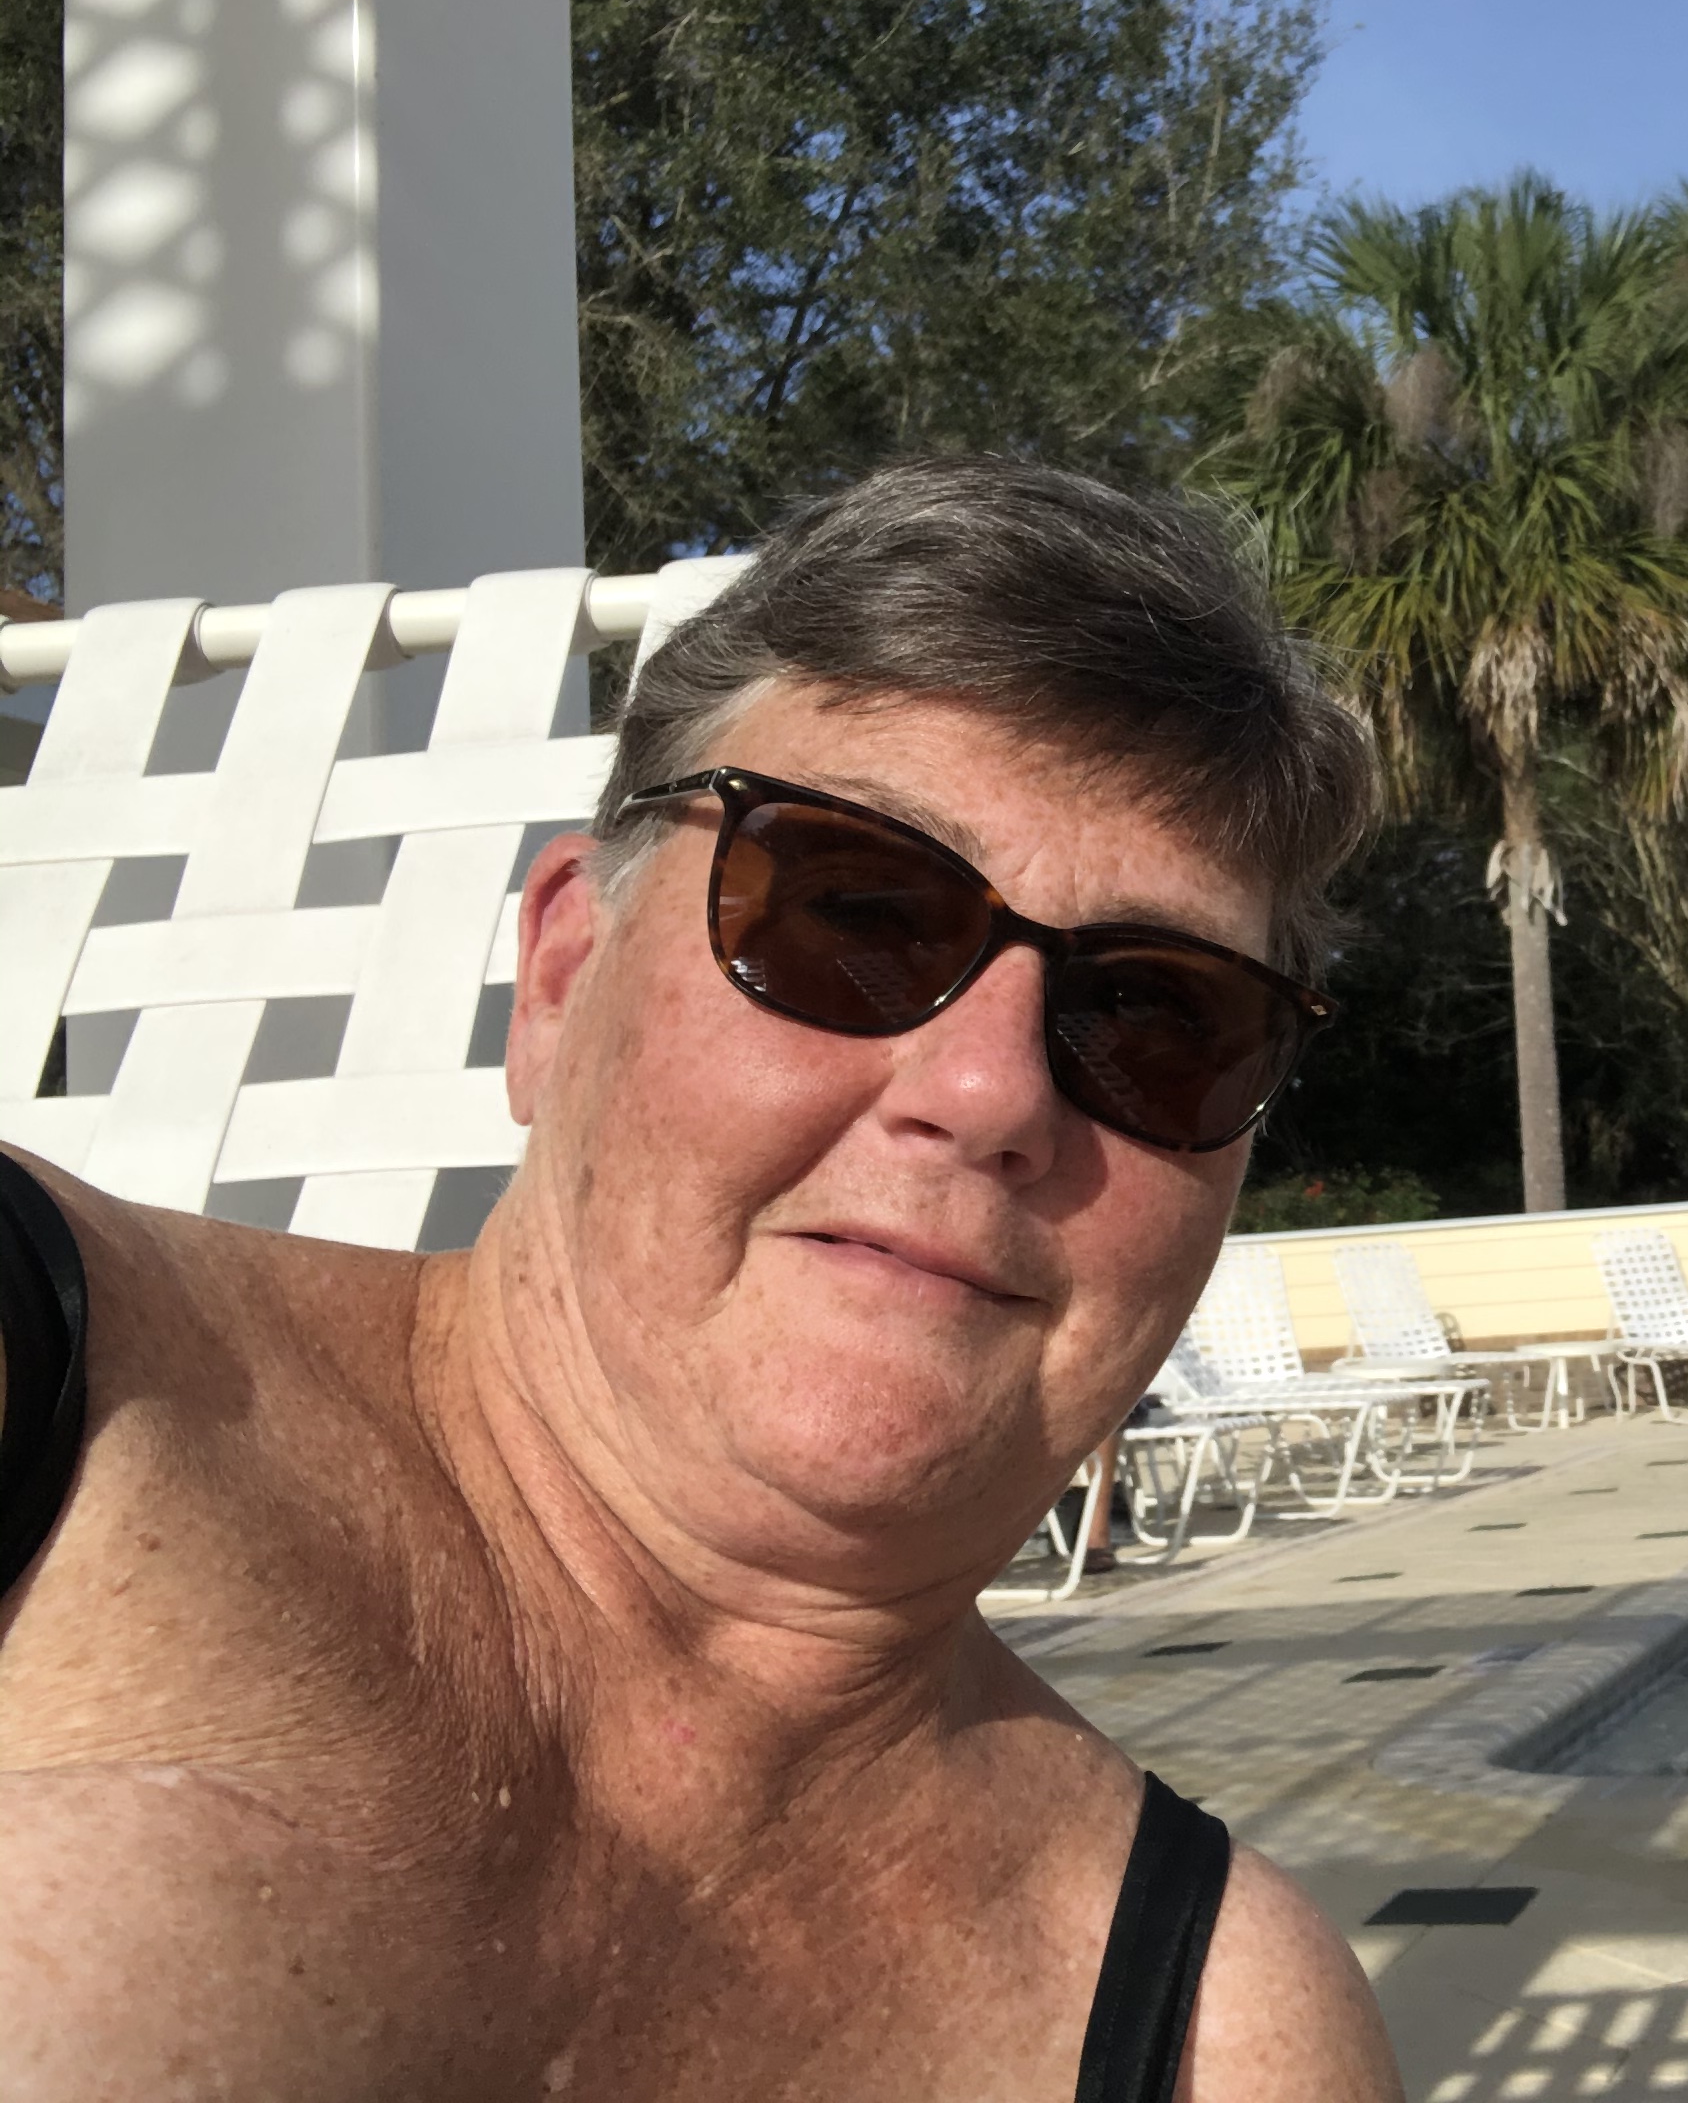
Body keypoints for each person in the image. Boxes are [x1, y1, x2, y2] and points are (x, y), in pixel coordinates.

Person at [0, 457, 1405, 2101]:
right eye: (856, 913)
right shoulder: (56, 1382)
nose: (992, 1095)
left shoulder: (1229, 2038)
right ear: (559, 977)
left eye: (1155, 1015)